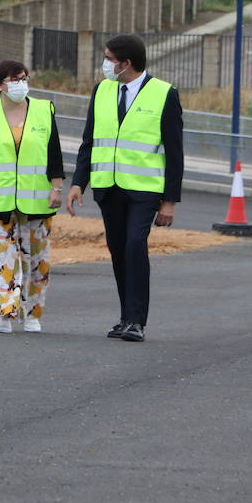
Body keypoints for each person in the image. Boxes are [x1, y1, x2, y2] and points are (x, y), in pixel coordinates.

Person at [66, 33, 185, 343]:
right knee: (118, 250)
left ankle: (136, 320)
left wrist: (170, 200)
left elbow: (175, 152)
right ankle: (125, 317)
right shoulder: (103, 91)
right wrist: (79, 182)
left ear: (126, 63)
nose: (105, 64)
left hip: (144, 191)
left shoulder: (164, 94)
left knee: (135, 244)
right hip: (108, 187)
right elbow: (89, 141)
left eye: (109, 59)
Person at [0, 60, 64, 333]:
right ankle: (3, 314)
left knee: (36, 260)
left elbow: (54, 152)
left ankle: (31, 315)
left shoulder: (43, 110)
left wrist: (57, 188)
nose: (20, 83)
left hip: (36, 200)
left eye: (23, 77)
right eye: (13, 79)